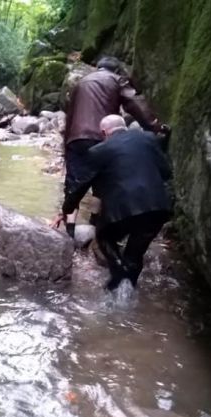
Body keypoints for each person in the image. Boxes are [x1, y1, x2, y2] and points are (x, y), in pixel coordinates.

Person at [53, 115, 172, 291]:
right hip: (157, 208)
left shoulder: (99, 151)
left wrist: (66, 210)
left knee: (104, 237)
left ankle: (117, 272)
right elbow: (167, 172)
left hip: (122, 209)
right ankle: (127, 291)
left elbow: (80, 185)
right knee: (135, 254)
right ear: (124, 126)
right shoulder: (148, 138)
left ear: (103, 132)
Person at [62, 56, 166, 237]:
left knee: (74, 183)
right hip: (104, 136)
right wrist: (154, 127)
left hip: (76, 138)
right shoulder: (118, 80)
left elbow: (69, 115)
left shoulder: (80, 83)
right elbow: (135, 104)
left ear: (98, 68)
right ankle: (96, 225)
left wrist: (67, 143)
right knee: (104, 183)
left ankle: (69, 232)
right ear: (116, 70)